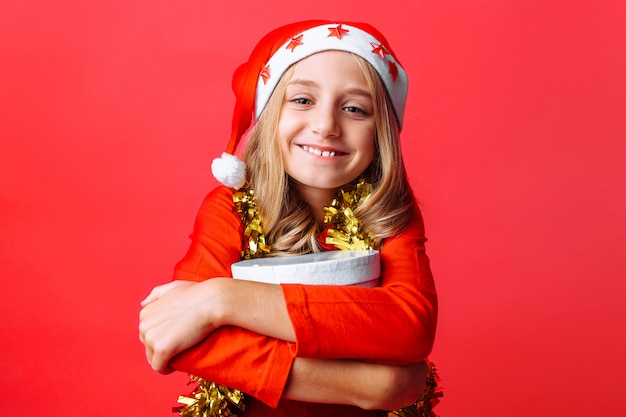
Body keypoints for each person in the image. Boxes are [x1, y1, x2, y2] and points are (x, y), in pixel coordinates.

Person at [139, 20, 440, 417]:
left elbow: (408, 326)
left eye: (354, 109)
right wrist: (370, 387)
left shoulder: (390, 214)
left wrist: (222, 299)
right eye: (302, 100)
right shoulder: (229, 210)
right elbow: (177, 338)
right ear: (269, 114)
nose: (326, 126)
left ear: (381, 131)